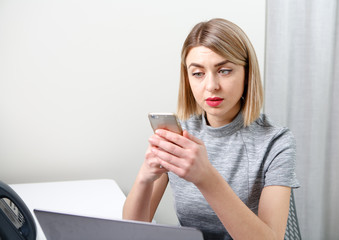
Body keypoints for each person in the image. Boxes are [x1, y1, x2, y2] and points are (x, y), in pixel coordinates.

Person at [123, 18, 299, 240]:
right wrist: (144, 178)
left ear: (247, 73)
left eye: (224, 71)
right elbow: (132, 231)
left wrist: (206, 178)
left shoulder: (276, 142)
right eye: (198, 73)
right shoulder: (179, 136)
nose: (211, 86)